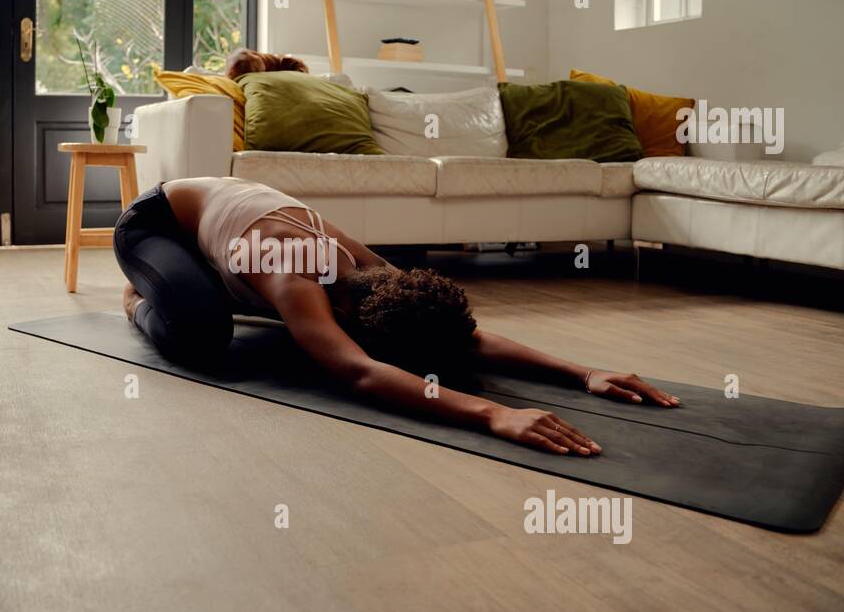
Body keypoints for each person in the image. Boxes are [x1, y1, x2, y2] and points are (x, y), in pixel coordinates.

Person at [113, 177, 680, 457]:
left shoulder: (376, 271)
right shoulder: (293, 272)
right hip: (155, 224)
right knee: (207, 338)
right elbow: (357, 370)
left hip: (231, 238)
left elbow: (466, 336)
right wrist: (491, 414)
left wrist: (583, 373)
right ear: (351, 314)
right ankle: (140, 300)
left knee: (261, 307)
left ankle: (214, 280)